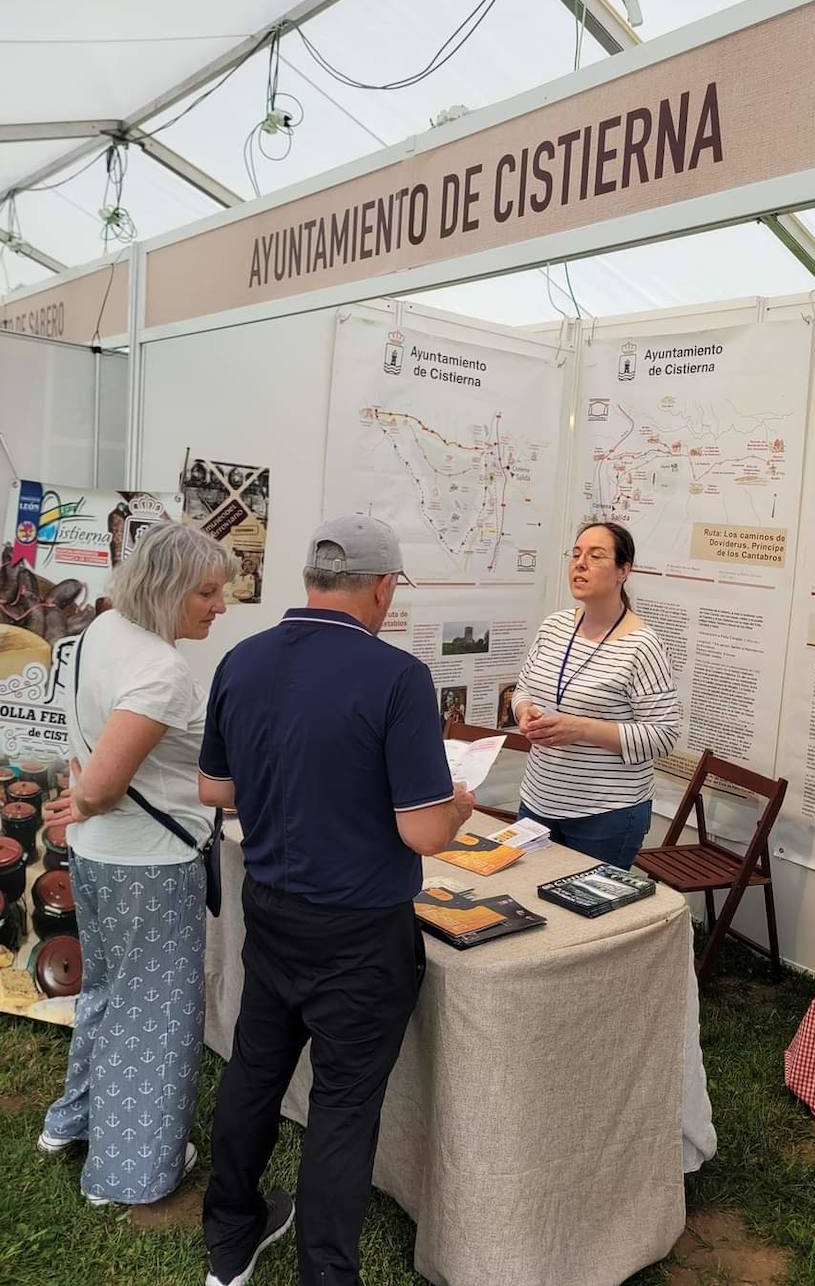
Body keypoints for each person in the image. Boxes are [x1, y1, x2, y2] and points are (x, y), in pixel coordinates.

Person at [198, 514, 475, 1286]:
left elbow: (214, 788)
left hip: (272, 904)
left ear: (311, 581)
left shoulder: (242, 659)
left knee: (256, 1069)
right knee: (343, 1106)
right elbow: (421, 833)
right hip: (360, 929)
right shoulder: (396, 676)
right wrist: (456, 806)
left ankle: (229, 1233)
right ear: (382, 588)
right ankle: (326, 1274)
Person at [38, 522, 235, 1206]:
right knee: (154, 1019)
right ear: (167, 587)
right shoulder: (160, 669)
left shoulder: (104, 629)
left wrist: (82, 801)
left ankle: (74, 1120)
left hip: (101, 858)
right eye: (207, 592)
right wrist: (85, 799)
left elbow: (89, 764)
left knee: (110, 995)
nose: (219, 605)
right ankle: (129, 1172)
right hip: (149, 866)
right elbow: (104, 781)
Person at [512, 520, 681, 868]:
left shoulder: (642, 645)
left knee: (588, 920)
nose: (580, 564)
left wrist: (584, 729)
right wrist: (524, 710)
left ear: (624, 570)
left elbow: (663, 736)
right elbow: (523, 689)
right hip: (538, 799)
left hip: (605, 814)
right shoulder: (554, 626)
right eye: (575, 554)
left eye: (595, 556)